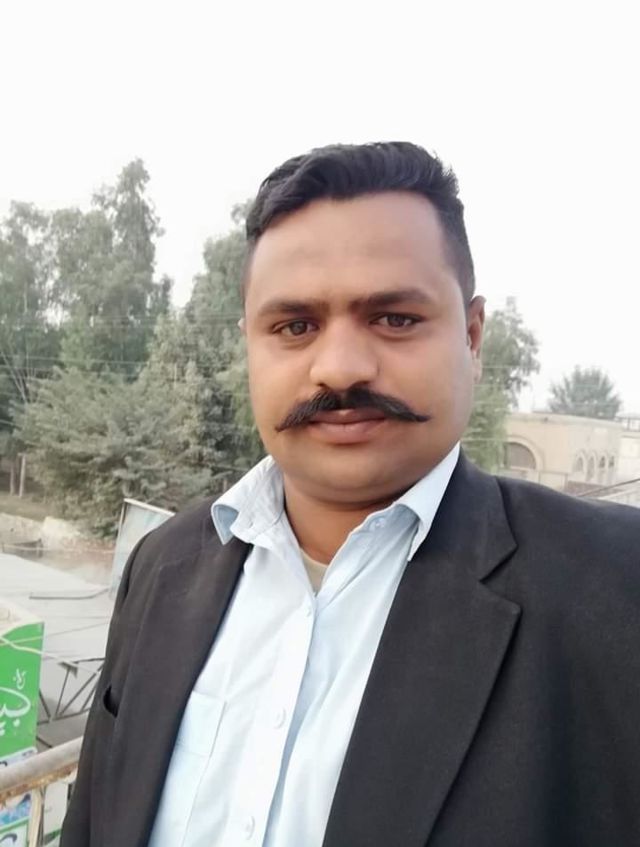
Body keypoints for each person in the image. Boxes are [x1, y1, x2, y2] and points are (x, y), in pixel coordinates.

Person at [61, 142, 640, 847]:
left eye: (394, 318)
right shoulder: (162, 567)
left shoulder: (615, 589)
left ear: (472, 336)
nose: (338, 368)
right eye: (295, 326)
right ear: (250, 344)